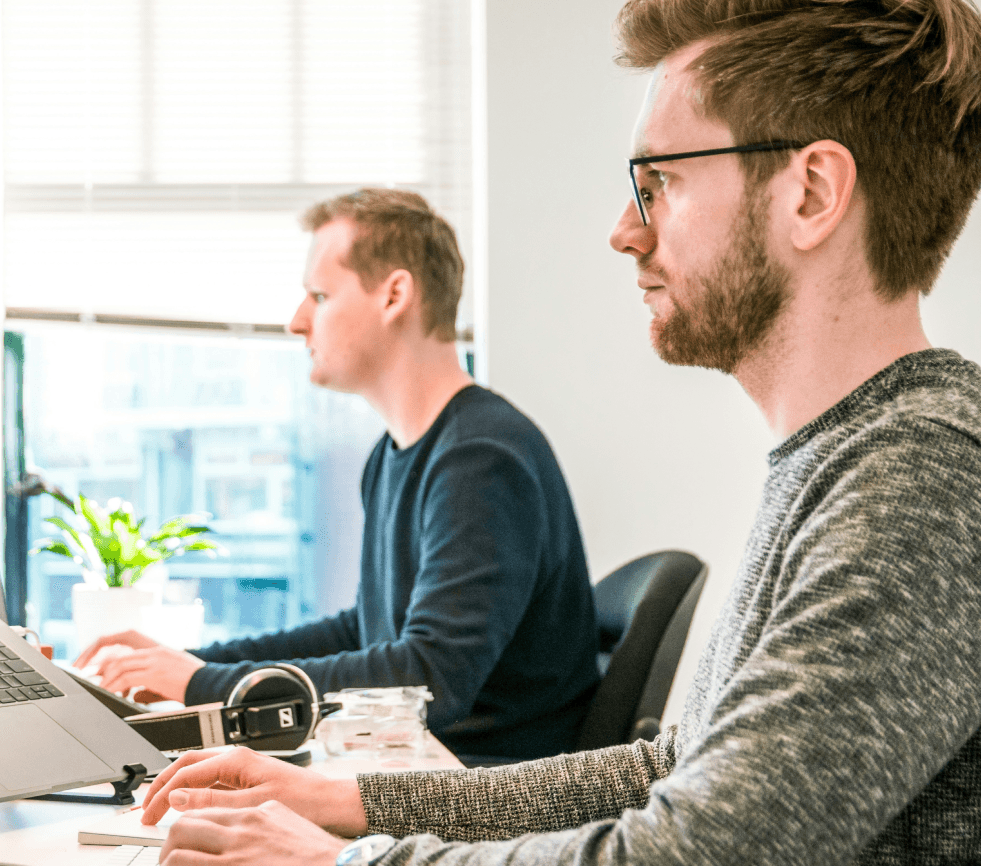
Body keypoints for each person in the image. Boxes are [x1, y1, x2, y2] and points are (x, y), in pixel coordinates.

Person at [137, 0, 981, 866]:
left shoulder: (925, 482)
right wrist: (350, 804)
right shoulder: (846, 458)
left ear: (809, 192)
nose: (623, 230)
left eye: (656, 182)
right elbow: (669, 773)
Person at [76, 188, 600, 763]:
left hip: (481, 790)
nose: (296, 321)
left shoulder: (482, 458)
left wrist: (203, 686)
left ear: (394, 295)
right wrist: (193, 664)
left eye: (320, 296)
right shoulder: (396, 454)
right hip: (416, 765)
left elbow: (429, 680)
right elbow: (366, 631)